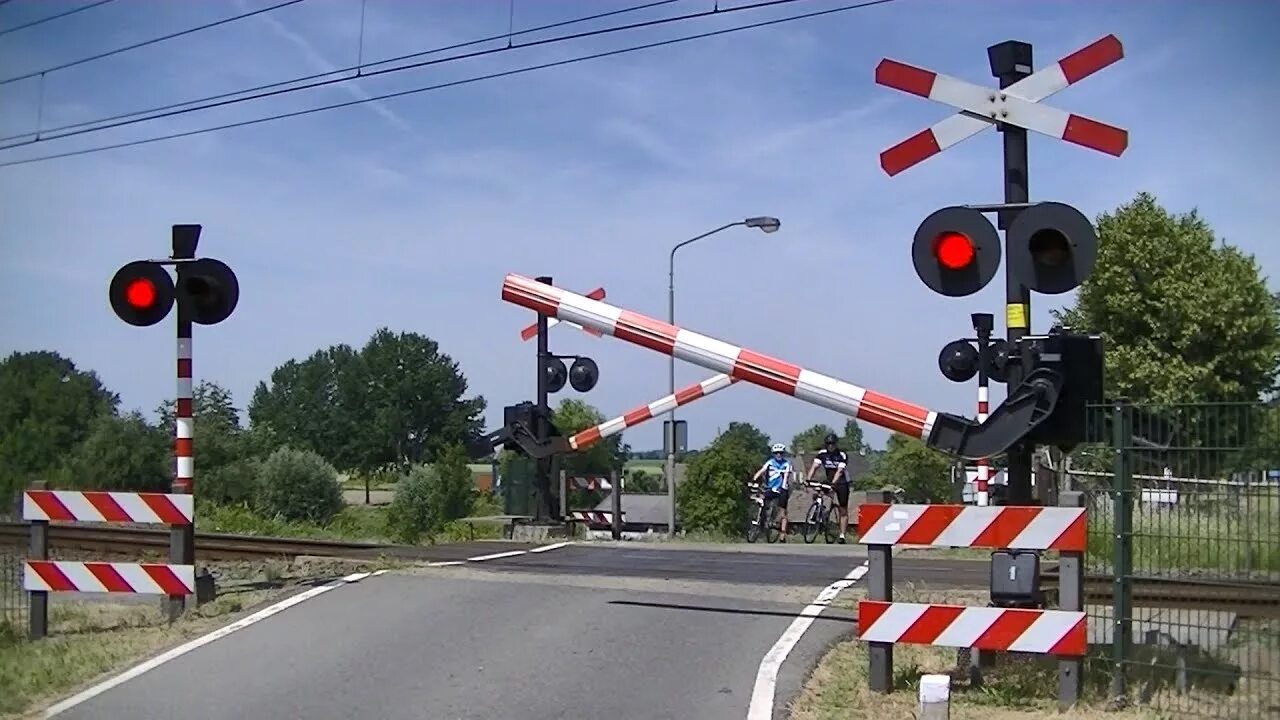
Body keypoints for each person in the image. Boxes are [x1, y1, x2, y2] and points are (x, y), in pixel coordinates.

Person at [807, 432, 850, 543]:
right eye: (828, 444)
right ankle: (820, 512)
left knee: (843, 509)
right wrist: (808, 479)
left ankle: (842, 535)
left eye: (832, 444)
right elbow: (814, 467)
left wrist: (833, 484)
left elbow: (840, 471)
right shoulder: (822, 454)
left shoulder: (841, 455)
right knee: (817, 492)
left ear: (836, 444)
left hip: (842, 482)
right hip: (829, 479)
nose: (830, 446)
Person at [752, 443, 794, 541]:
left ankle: (782, 535)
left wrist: (784, 488)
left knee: (783, 512)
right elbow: (762, 471)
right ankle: (761, 521)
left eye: (780, 453)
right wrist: (754, 479)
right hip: (770, 488)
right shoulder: (770, 462)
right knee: (762, 500)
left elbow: (787, 477)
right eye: (776, 453)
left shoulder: (787, 464)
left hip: (782, 489)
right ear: (773, 454)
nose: (778, 455)